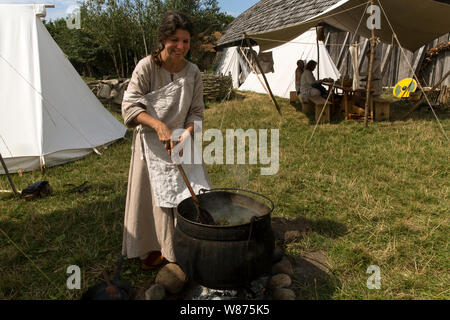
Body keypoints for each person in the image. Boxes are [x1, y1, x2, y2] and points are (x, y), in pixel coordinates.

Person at [121, 11, 210, 270]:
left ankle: (187, 243)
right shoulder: (147, 67)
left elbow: (196, 112)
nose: (180, 47)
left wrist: (187, 133)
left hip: (183, 139)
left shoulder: (193, 72)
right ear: (163, 39)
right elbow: (129, 106)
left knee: (191, 193)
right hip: (151, 142)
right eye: (174, 40)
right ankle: (154, 246)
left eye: (186, 41)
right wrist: (158, 124)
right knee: (155, 198)